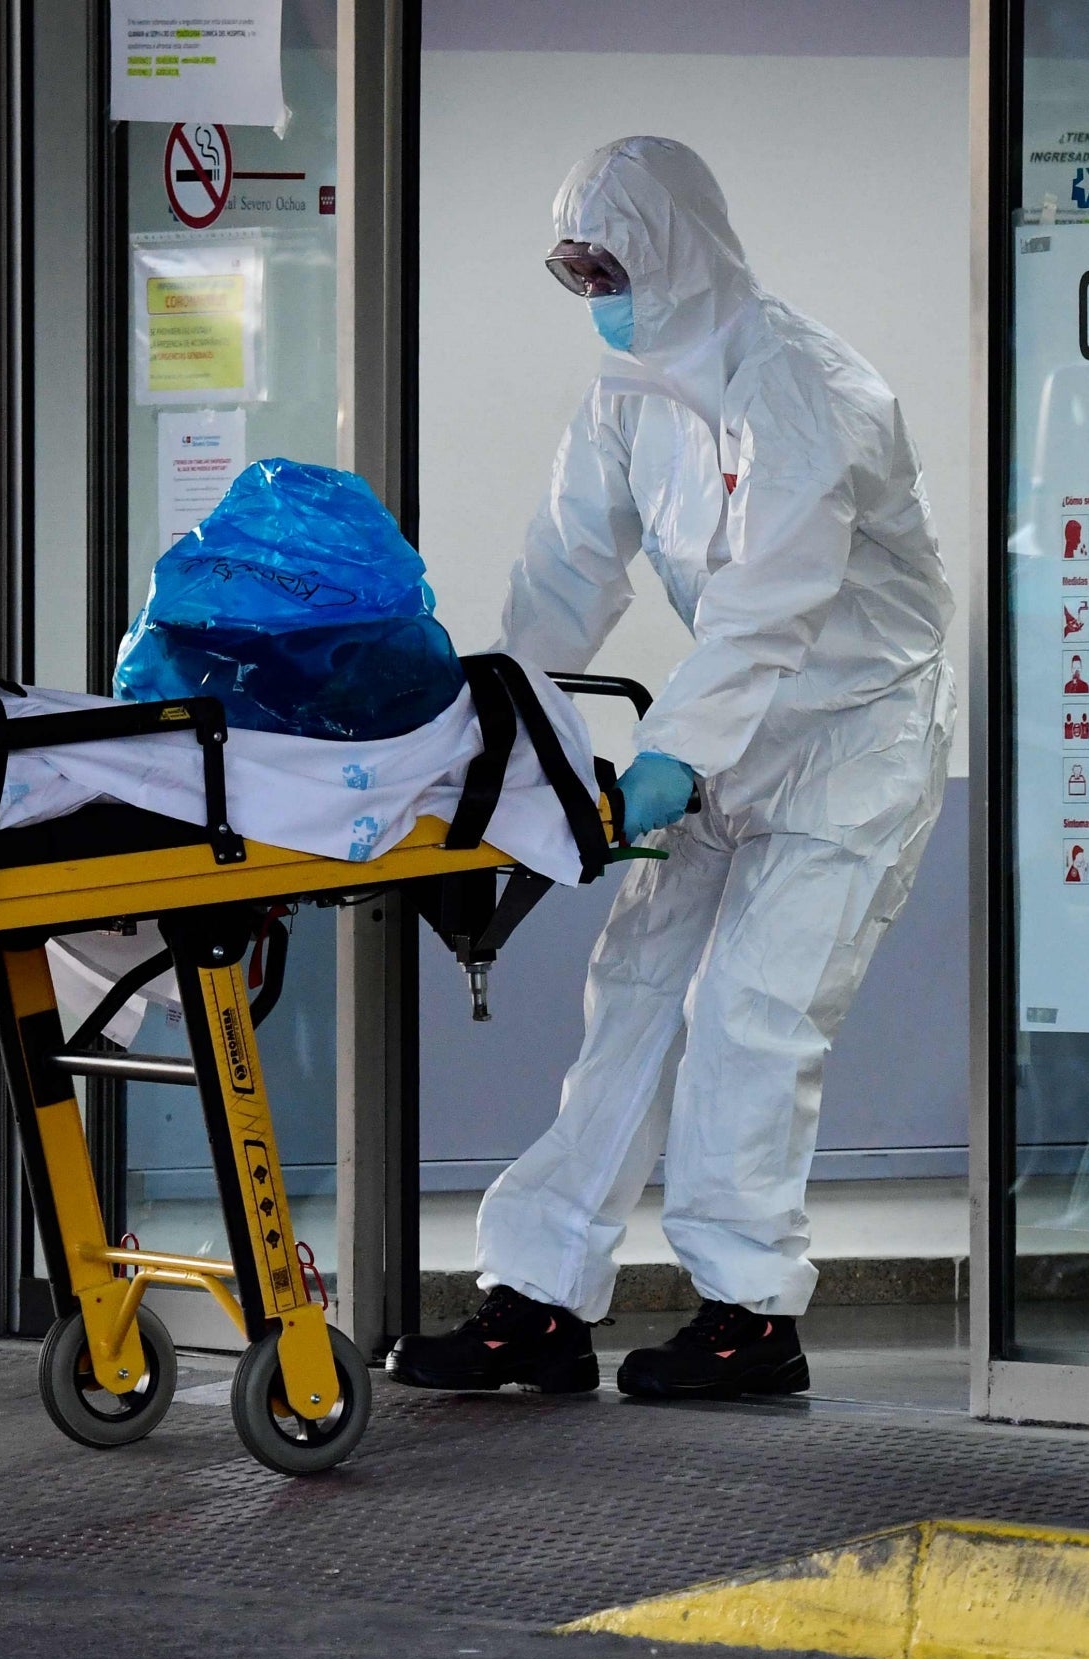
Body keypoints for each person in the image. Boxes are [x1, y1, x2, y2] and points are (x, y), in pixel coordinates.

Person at [387, 137, 955, 1401]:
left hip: (853, 736)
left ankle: (751, 1312)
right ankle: (535, 1296)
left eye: (609, 263)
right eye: (571, 268)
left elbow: (772, 604)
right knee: (632, 989)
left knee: (750, 1014)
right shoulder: (630, 391)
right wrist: (498, 725)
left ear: (676, 249)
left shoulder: (808, 387)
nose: (595, 290)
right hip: (731, 730)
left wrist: (666, 757)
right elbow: (566, 568)